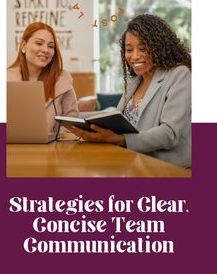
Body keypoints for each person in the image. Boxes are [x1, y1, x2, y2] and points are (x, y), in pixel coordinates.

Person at [71, 14, 191, 168]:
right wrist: (75, 117)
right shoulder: (135, 80)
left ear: (159, 47)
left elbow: (169, 134)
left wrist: (120, 139)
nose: (134, 56)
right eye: (129, 49)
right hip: (132, 161)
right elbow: (120, 117)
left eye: (143, 48)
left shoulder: (179, 74)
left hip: (167, 166)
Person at [7, 22, 79, 133]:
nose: (46, 50)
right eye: (39, 43)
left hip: (53, 148)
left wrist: (57, 137)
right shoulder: (6, 78)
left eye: (51, 46)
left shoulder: (63, 79)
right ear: (23, 45)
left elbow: (72, 119)